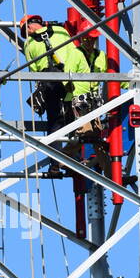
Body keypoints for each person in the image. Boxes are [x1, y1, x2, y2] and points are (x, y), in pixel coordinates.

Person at [20, 15, 93, 175]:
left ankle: (55, 164)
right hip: (68, 80)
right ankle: (72, 160)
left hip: (49, 82)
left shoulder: (29, 43)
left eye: (26, 31)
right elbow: (73, 53)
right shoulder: (61, 31)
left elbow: (33, 70)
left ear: (29, 27)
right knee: (73, 120)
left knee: (55, 123)